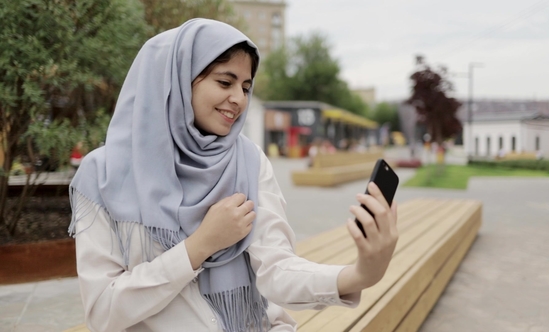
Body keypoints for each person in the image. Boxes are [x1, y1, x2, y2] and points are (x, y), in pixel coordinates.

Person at [68, 19, 398, 332]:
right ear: (178, 79)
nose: (239, 99)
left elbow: (276, 269)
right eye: (225, 82)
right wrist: (199, 246)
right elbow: (102, 311)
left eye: (245, 86)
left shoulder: (249, 161)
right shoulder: (103, 174)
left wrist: (358, 274)